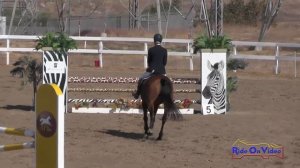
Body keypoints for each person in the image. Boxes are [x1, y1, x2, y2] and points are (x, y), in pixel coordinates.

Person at [132, 33, 168, 99]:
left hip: (152, 71)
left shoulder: (151, 50)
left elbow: (149, 62)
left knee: (141, 79)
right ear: (161, 41)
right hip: (162, 72)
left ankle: (137, 94)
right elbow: (164, 63)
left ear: (154, 40)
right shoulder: (164, 50)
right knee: (168, 84)